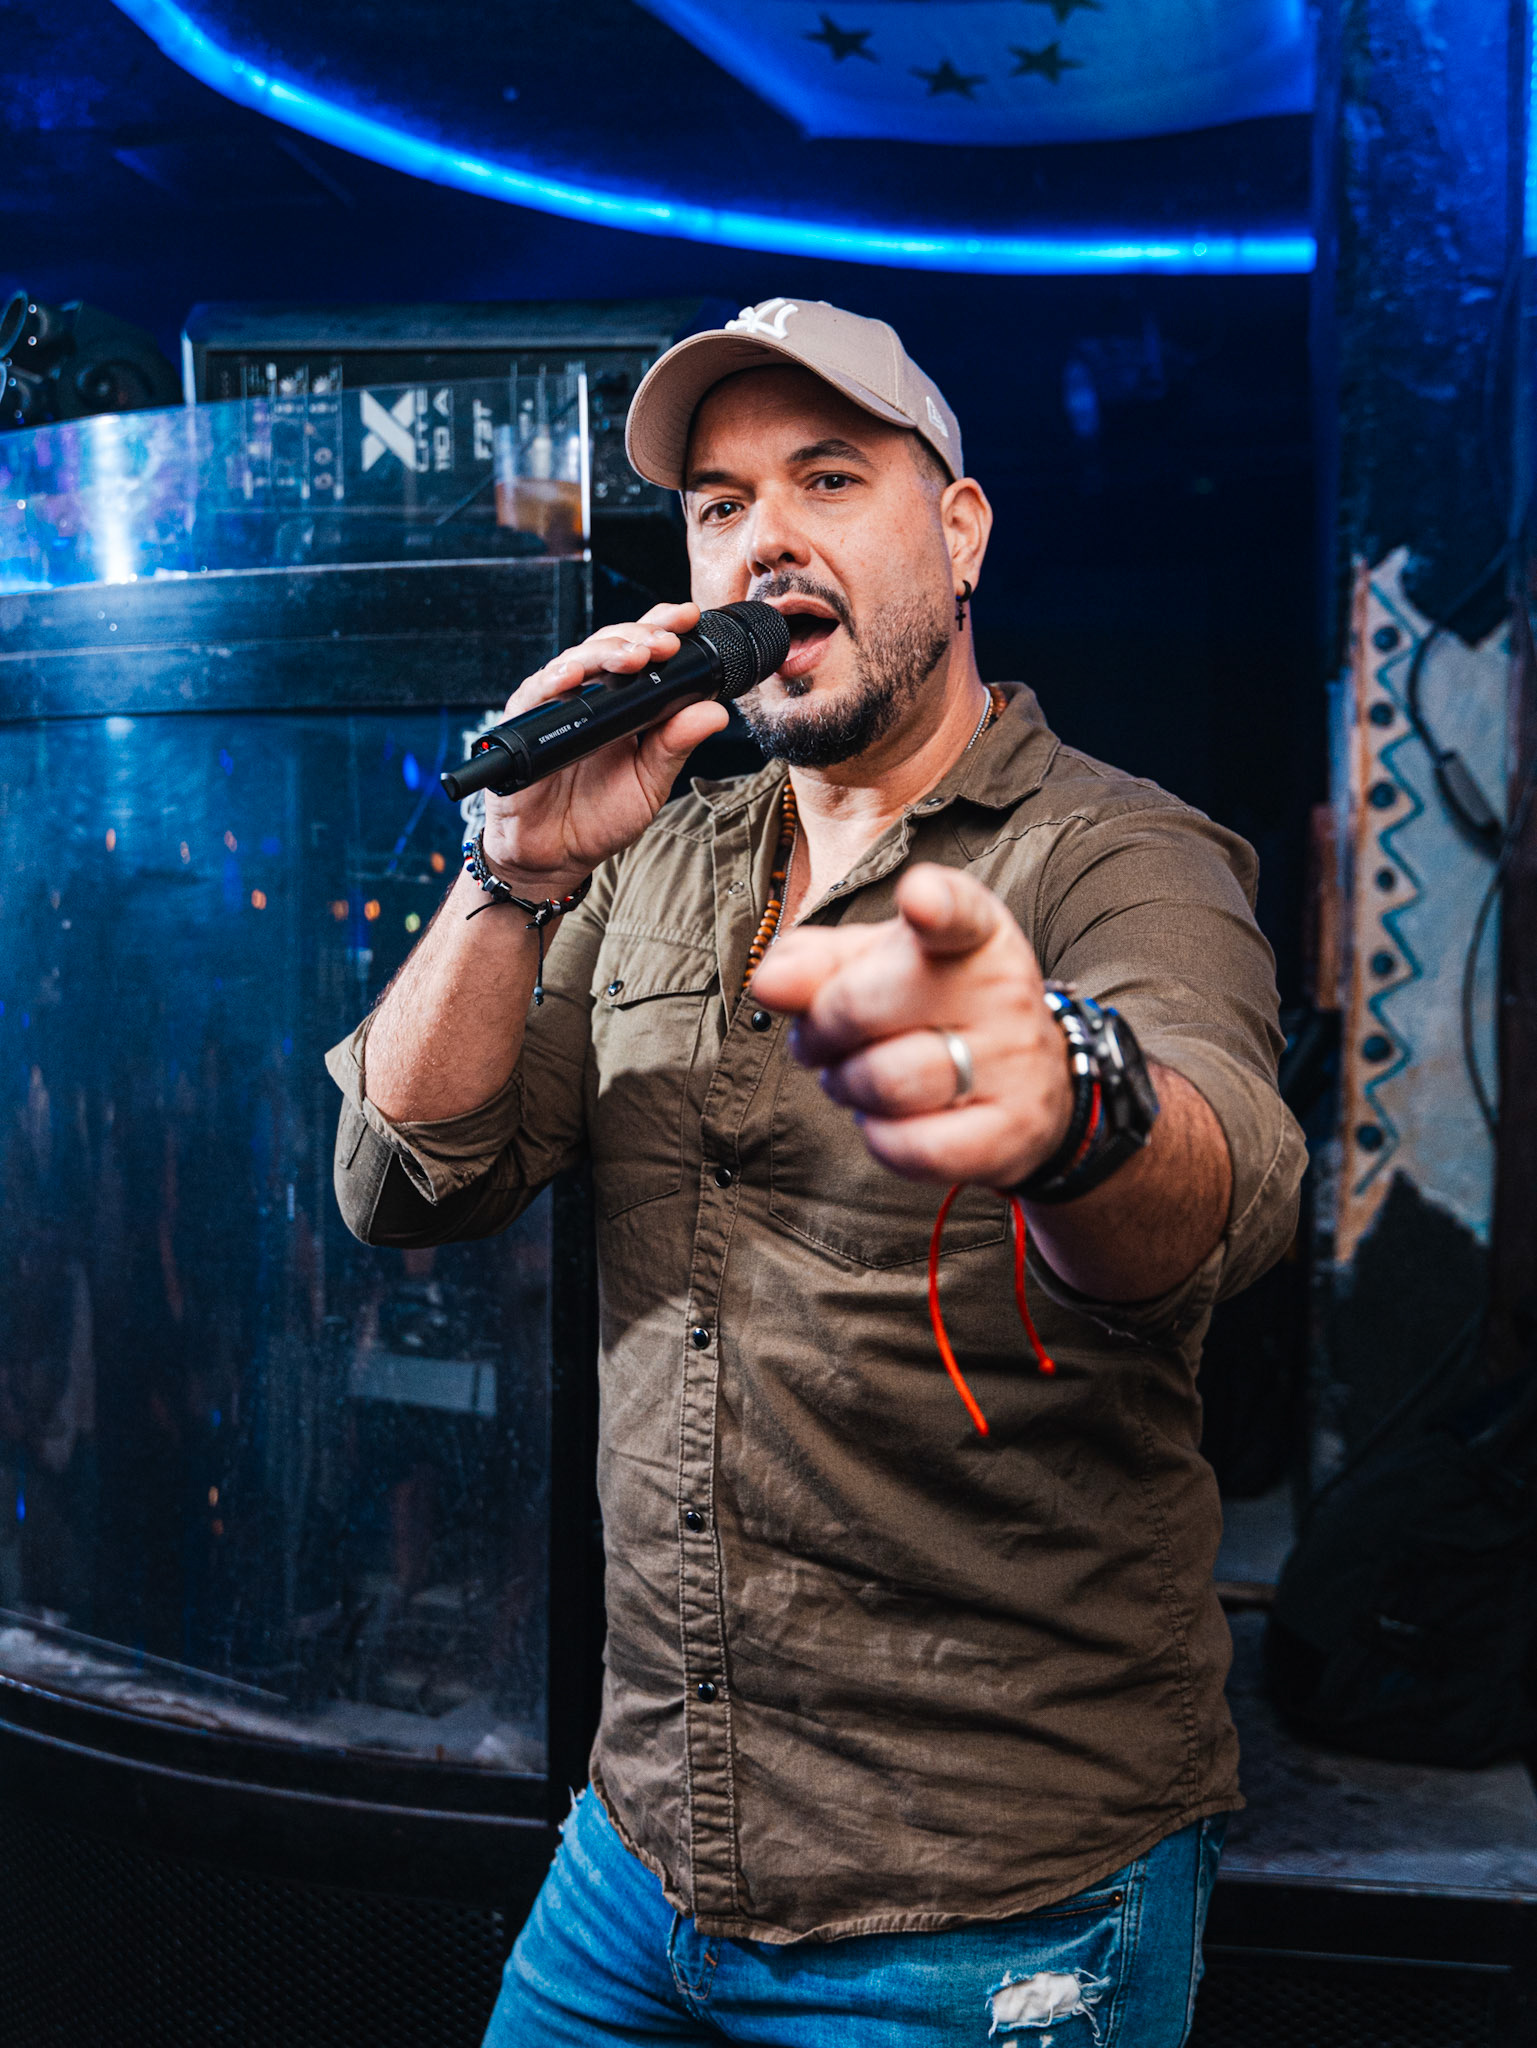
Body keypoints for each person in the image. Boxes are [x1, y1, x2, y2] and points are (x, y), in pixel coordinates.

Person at [327, 298, 1304, 2046]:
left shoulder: (1116, 855)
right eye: (718, 505)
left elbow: (1218, 1197)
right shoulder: (649, 853)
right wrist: (513, 872)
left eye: (828, 478)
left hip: (979, 1904)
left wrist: (1070, 1102)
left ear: (960, 530)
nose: (761, 538)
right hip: (640, 1849)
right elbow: (406, 1182)